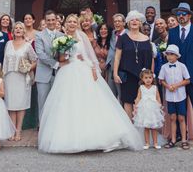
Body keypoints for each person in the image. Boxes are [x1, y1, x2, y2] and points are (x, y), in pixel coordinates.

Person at [38, 14, 143, 153]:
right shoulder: (60, 38)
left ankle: (104, 137)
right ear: (65, 24)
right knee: (69, 104)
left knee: (91, 102)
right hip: (67, 71)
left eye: (74, 21)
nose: (71, 24)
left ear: (77, 23)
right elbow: (61, 58)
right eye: (69, 21)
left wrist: (93, 68)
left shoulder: (82, 36)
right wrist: (67, 53)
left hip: (83, 69)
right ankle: (71, 138)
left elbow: (89, 55)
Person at [167, 2, 193, 147]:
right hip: (177, 78)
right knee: (179, 108)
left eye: (183, 14)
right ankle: (180, 135)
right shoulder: (172, 32)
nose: (180, 16)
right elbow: (170, 55)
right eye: (178, 14)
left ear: (189, 15)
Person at [113, 10, 154, 119]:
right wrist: (115, 73)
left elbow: (151, 59)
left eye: (137, 19)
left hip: (143, 76)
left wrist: (151, 74)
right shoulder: (122, 38)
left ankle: (141, 127)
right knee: (127, 101)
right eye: (132, 19)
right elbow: (117, 57)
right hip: (127, 74)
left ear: (140, 23)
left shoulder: (146, 39)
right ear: (128, 23)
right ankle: (131, 128)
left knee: (142, 100)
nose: (134, 21)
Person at [2, 21, 37, 141]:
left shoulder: (27, 45)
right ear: (13, 31)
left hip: (22, 78)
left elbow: (35, 61)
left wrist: (28, 68)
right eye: (16, 28)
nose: (18, 30)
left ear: (23, 31)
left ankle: (18, 131)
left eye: (20, 28)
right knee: (11, 104)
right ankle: (12, 130)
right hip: (9, 77)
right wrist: (2, 77)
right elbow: (5, 62)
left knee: (21, 105)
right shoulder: (8, 44)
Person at [158, 44, 190, 149]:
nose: (170, 57)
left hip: (180, 95)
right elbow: (161, 80)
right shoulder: (164, 67)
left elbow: (187, 80)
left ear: (177, 56)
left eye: (172, 54)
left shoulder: (182, 66)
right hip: (170, 96)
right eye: (168, 54)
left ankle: (184, 140)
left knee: (181, 118)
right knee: (172, 117)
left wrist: (176, 85)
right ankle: (173, 139)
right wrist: (168, 86)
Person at [34, 11, 63, 121]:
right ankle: (42, 128)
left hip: (59, 75)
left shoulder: (62, 36)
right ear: (45, 22)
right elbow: (40, 54)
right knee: (43, 102)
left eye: (53, 20)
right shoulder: (39, 35)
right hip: (43, 75)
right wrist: (56, 64)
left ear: (56, 21)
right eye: (48, 20)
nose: (51, 22)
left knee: (57, 103)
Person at [133, 68, 164, 149]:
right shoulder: (141, 87)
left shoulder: (155, 87)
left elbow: (158, 98)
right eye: (146, 78)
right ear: (142, 79)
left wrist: (159, 106)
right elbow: (138, 97)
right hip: (145, 109)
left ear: (152, 78)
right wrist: (136, 106)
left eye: (150, 78)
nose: (148, 80)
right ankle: (147, 143)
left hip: (153, 110)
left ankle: (155, 143)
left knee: (154, 127)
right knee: (146, 127)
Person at [106, 13, 126, 98]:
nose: (117, 23)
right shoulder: (113, 33)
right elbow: (98, 29)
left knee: (122, 94)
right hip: (110, 67)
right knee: (111, 94)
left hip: (122, 67)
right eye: (115, 21)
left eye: (119, 21)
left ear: (124, 23)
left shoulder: (128, 34)